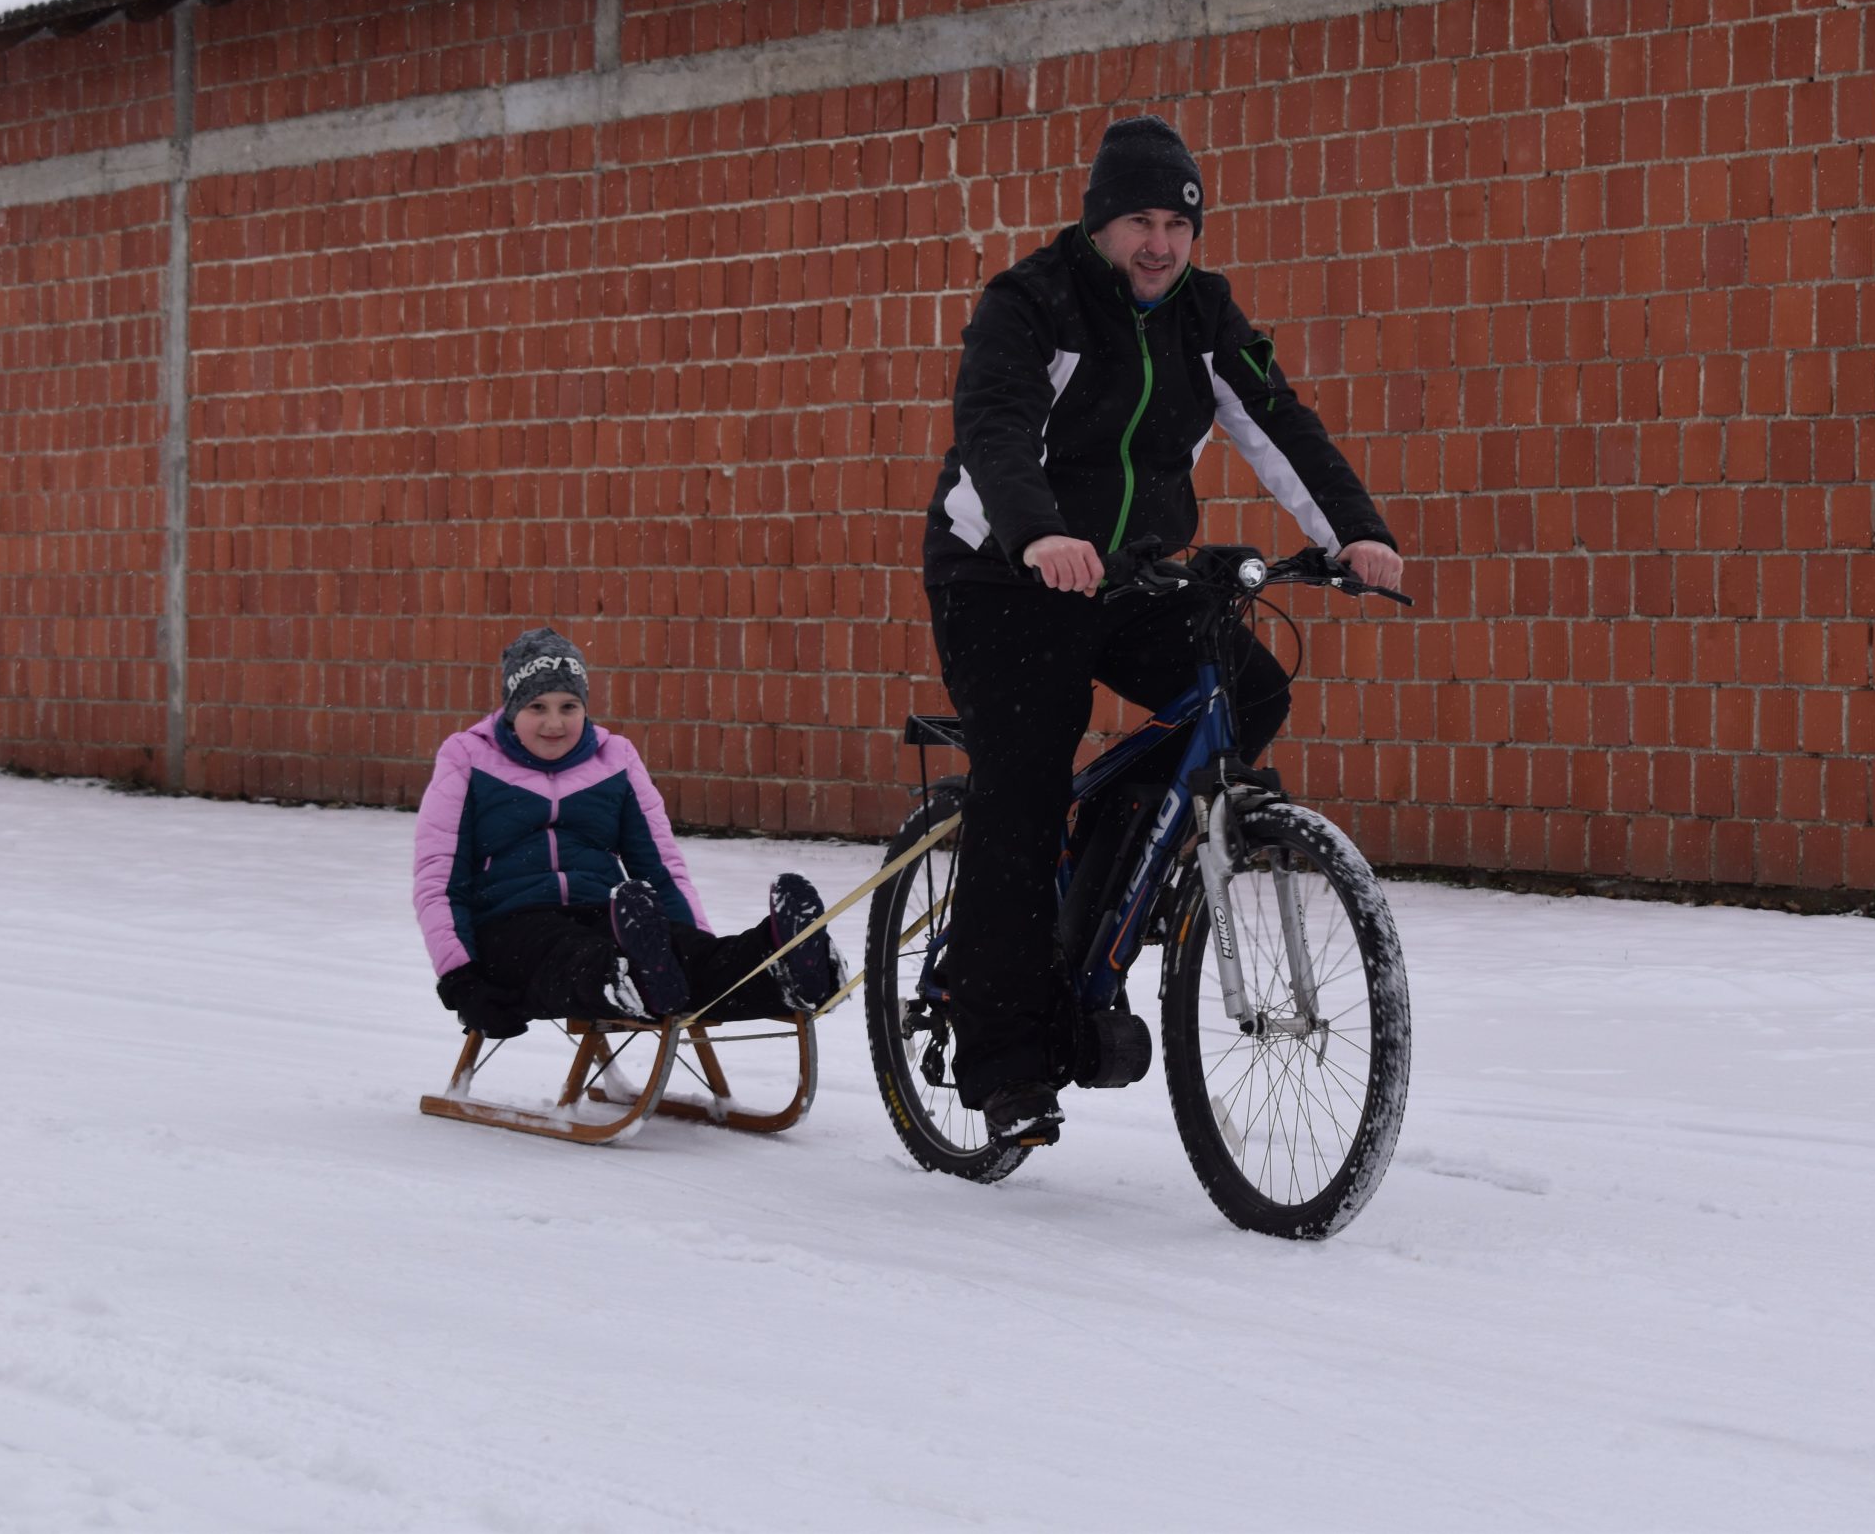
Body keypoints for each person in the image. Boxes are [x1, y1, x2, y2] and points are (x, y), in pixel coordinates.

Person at [921, 113, 1405, 1149]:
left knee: (1248, 692)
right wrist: (1040, 532)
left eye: (1177, 224)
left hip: (1133, 573)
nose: (1159, 244)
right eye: (1138, 221)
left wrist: (1354, 534)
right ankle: (1002, 1055)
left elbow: (1279, 421)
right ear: (1100, 223)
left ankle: (1098, 903)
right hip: (1003, 573)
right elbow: (994, 427)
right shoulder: (1031, 303)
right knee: (1027, 778)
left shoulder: (1202, 313)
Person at [413, 627, 841, 1038]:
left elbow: (659, 867)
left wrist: (689, 944)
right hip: (510, 926)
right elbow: (439, 881)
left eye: (569, 707)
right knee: (574, 958)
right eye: (537, 707)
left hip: (608, 913)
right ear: (511, 709)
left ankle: (782, 964)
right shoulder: (468, 760)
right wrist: (460, 979)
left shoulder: (614, 759)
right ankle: (632, 977)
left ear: (585, 706)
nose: (554, 724)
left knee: (686, 958)